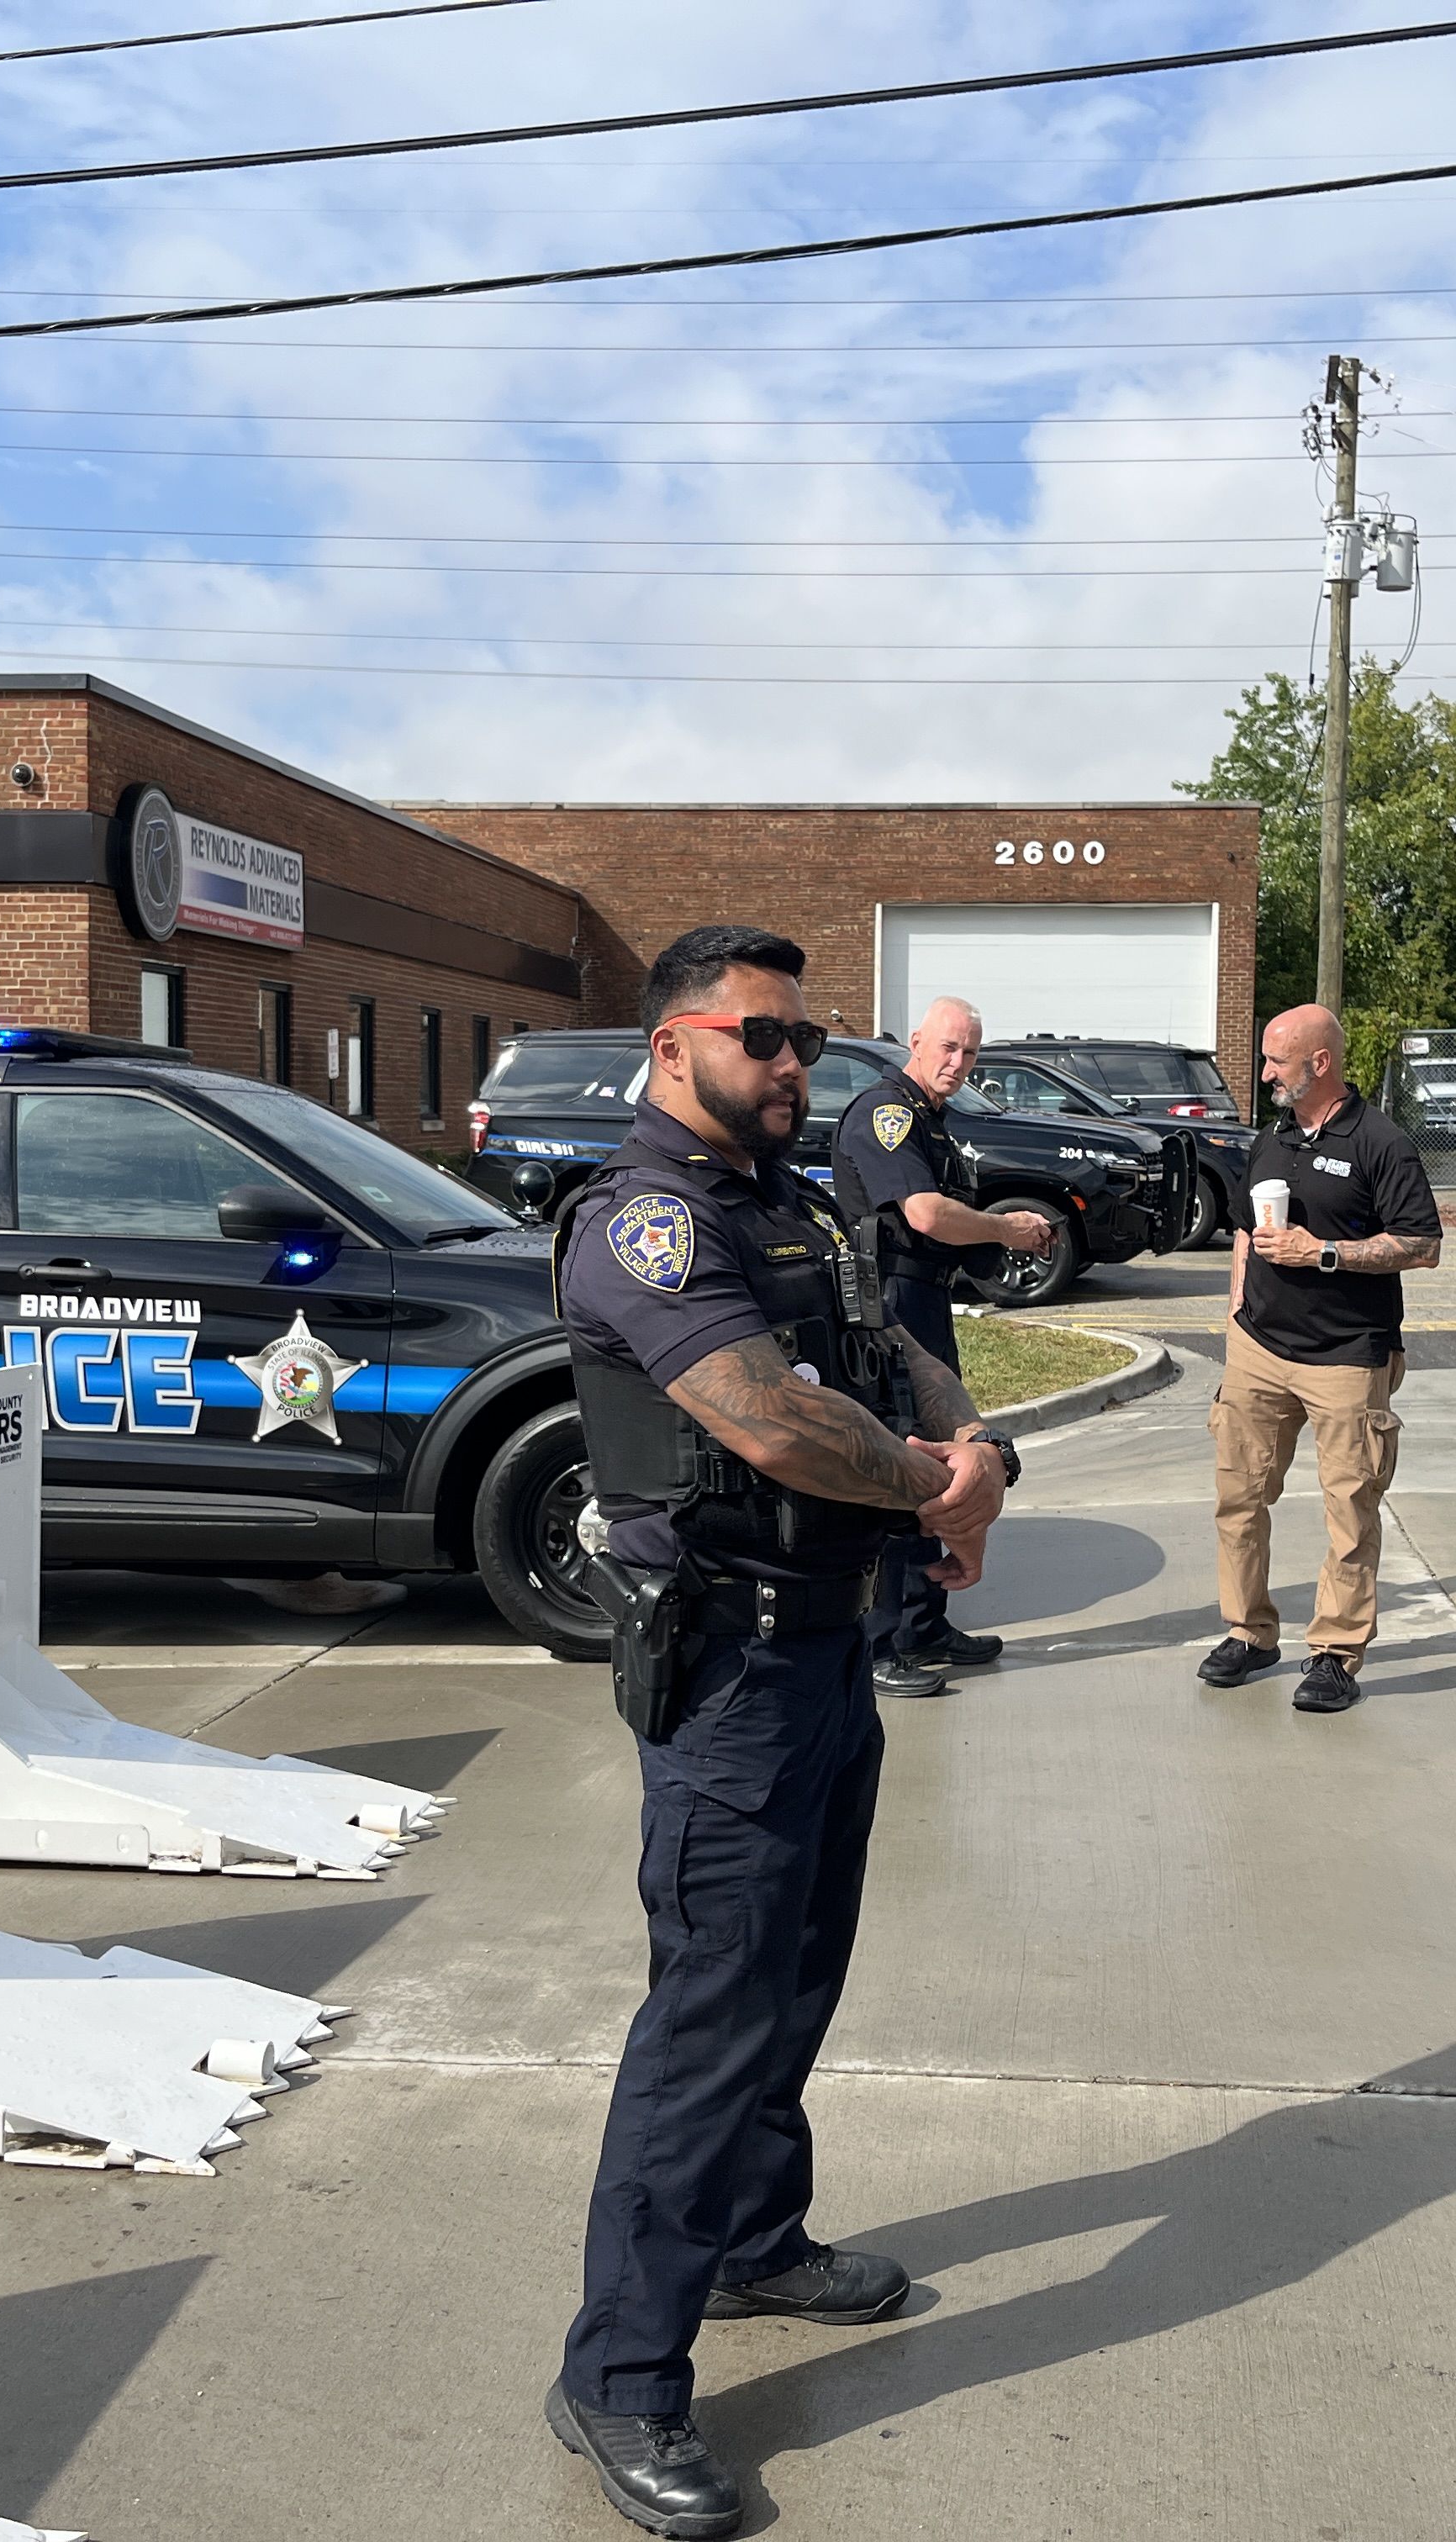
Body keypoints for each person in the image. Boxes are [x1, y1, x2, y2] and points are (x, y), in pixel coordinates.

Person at [547, 924, 1012, 2541]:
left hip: (823, 1658)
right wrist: (928, 1485)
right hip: (730, 1680)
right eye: (766, 1038)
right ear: (674, 1045)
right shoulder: (646, 1221)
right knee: (709, 2016)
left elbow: (883, 1353)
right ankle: (620, 2373)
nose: (798, 1064)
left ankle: (752, 2240)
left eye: (807, 1038)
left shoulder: (785, 1202)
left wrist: (979, 1451)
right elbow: (762, 1413)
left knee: (797, 1974)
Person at [1200, 1003, 1442, 1714]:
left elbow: (1422, 1245)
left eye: (1277, 1061)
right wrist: (1236, 1315)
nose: (1265, 1072)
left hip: (1346, 1356)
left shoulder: (1380, 1143)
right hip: (1258, 1348)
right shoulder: (1271, 1140)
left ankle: (1335, 1653)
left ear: (1321, 1064)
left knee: (1349, 1510)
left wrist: (1325, 1253)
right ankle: (1250, 1632)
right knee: (1239, 1498)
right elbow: (1245, 1231)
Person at [833, 994, 1050, 1696]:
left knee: (946, 1462)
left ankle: (925, 1626)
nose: (958, 1062)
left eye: (970, 1051)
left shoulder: (935, 1123)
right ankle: (877, 1645)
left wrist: (995, 1239)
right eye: (947, 1047)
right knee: (900, 1466)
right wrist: (1005, 1229)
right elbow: (925, 1214)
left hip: (923, 1301)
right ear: (917, 1042)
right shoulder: (887, 1112)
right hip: (887, 1306)